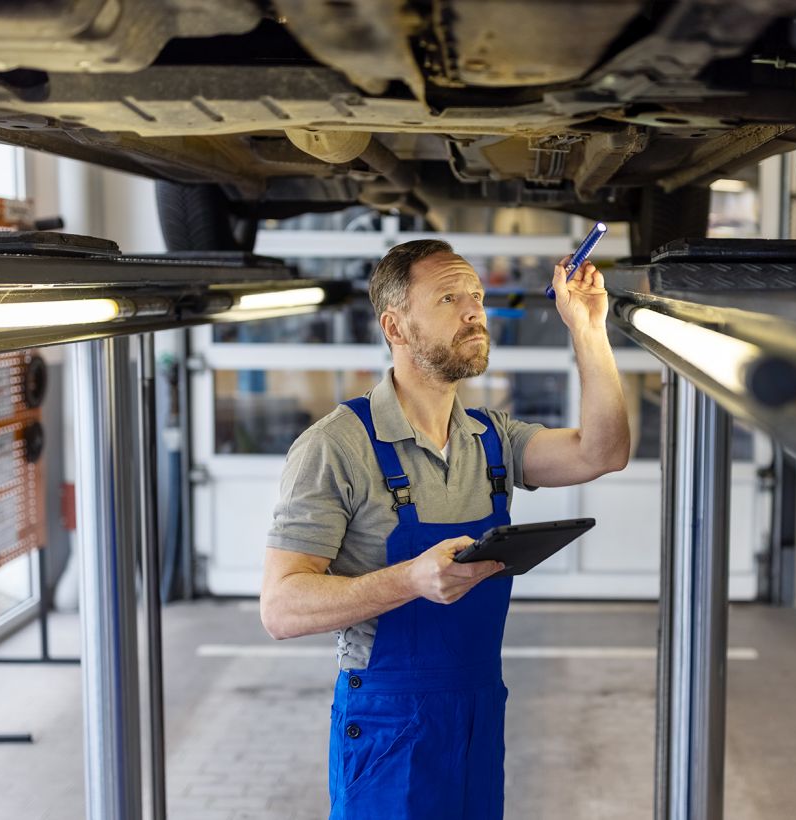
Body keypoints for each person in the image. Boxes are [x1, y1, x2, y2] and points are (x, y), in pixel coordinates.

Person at [259, 239, 631, 819]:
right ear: (396, 327)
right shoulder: (336, 447)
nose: (473, 311)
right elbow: (281, 608)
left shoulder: (492, 439)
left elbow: (602, 452)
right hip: (388, 724)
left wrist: (587, 328)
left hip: (477, 710)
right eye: (449, 298)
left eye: (477, 296)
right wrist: (411, 579)